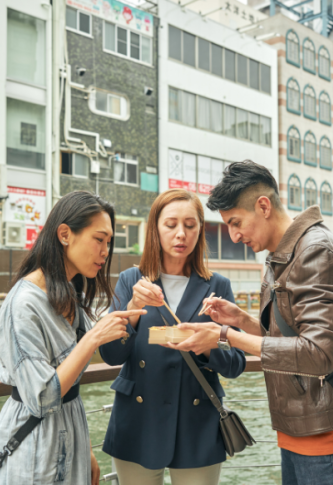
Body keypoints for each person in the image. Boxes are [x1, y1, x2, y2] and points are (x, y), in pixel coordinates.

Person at [168, 161, 333, 485]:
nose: (233, 235)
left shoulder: (314, 251)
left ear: (263, 206)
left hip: (327, 435)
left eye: (236, 223)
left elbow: (318, 353)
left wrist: (224, 336)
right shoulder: (283, 254)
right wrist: (242, 321)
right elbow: (292, 338)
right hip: (304, 428)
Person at [0, 191, 145, 485]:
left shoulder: (69, 291)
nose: (105, 250)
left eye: (109, 242)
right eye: (99, 239)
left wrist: (85, 449)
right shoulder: (23, 304)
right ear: (65, 234)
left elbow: (68, 390)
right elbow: (42, 398)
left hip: (70, 436)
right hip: (33, 448)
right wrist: (93, 338)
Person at [99, 189, 247, 485]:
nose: (181, 234)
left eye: (190, 226)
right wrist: (131, 309)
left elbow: (236, 364)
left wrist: (207, 347)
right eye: (171, 225)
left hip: (198, 423)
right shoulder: (132, 280)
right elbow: (111, 355)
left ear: (200, 231)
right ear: (155, 228)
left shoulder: (217, 285)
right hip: (138, 421)